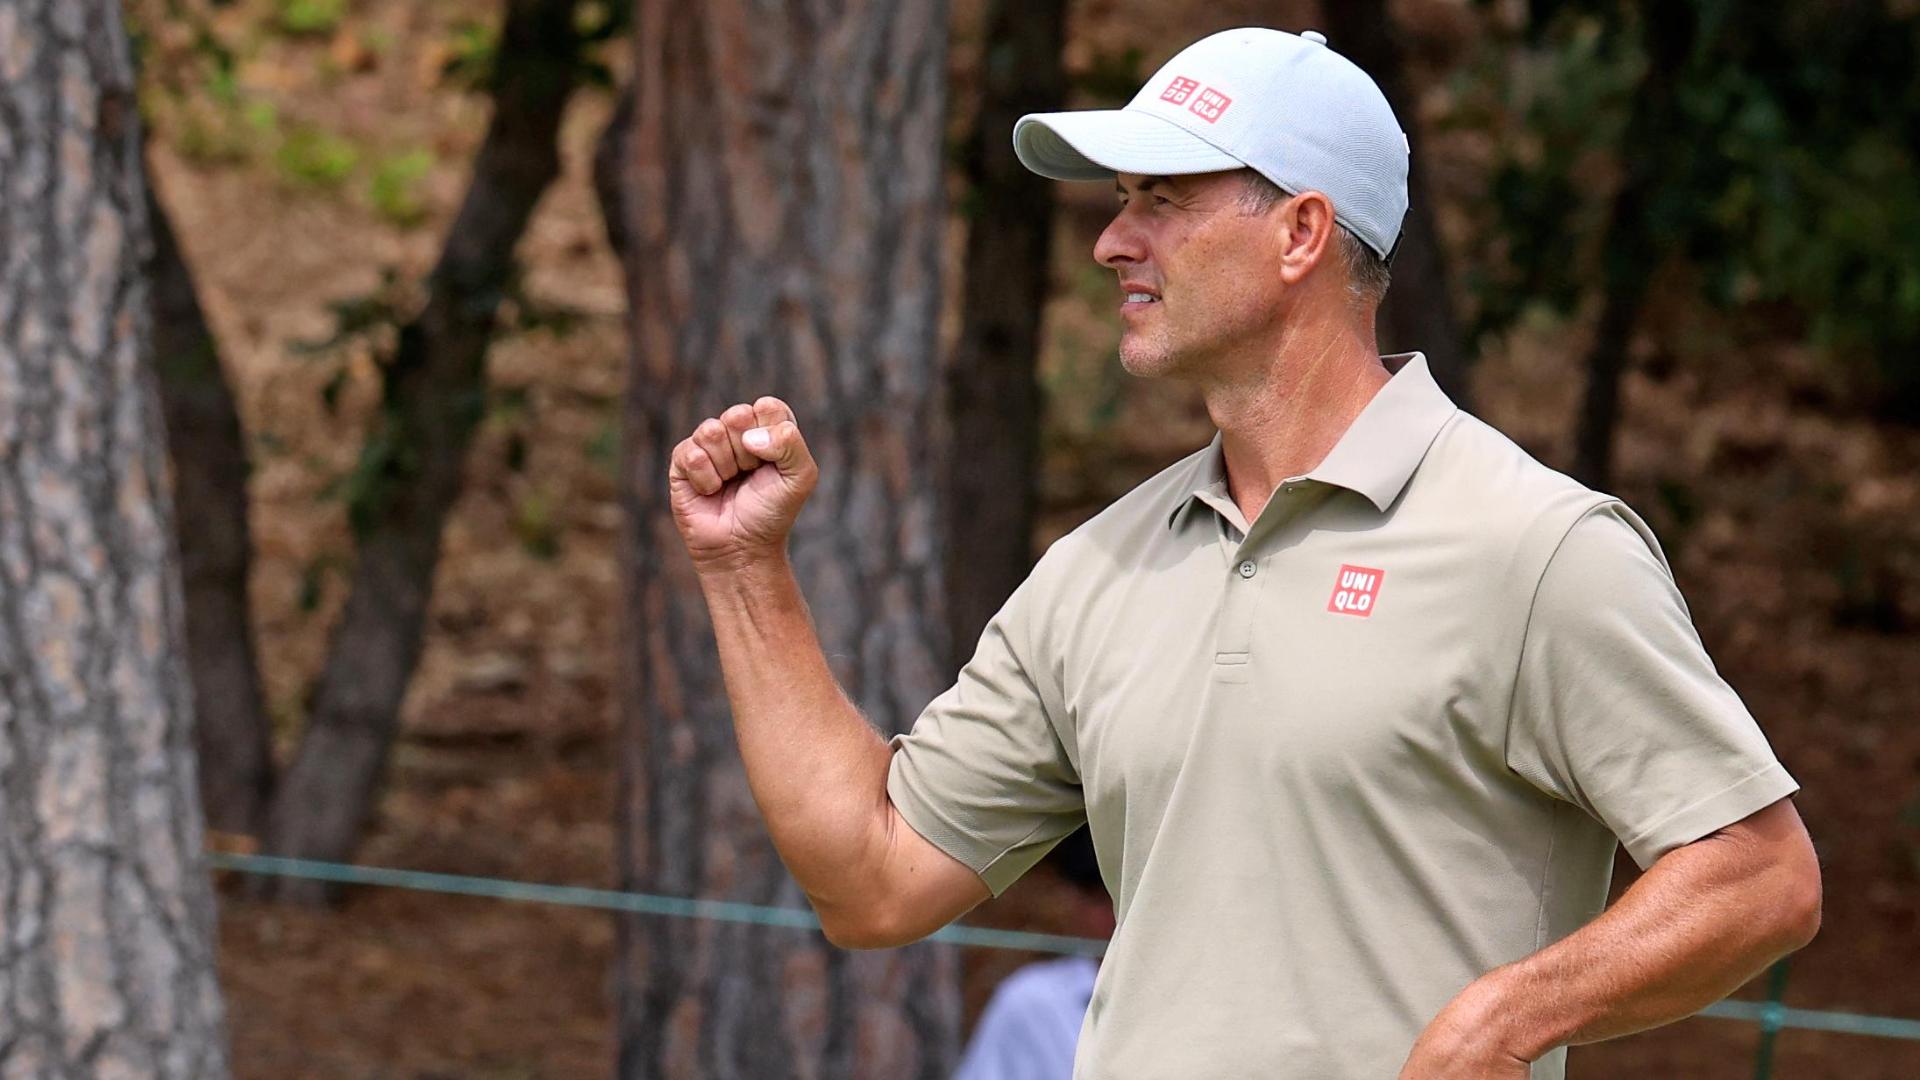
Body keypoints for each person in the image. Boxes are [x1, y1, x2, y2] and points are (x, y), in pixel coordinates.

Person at [665, 26, 1821, 1080]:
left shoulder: (1536, 547)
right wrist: (744, 572)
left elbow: (1760, 877)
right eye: (1121, 200)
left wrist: (1505, 1019)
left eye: (1161, 197)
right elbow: (871, 878)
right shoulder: (1097, 570)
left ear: (1301, 233)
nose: (1114, 240)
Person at [953, 829, 1113, 1080]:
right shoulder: (1031, 1000)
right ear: (1074, 902)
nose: (1114, 912)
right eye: (1100, 897)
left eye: (1121, 895)